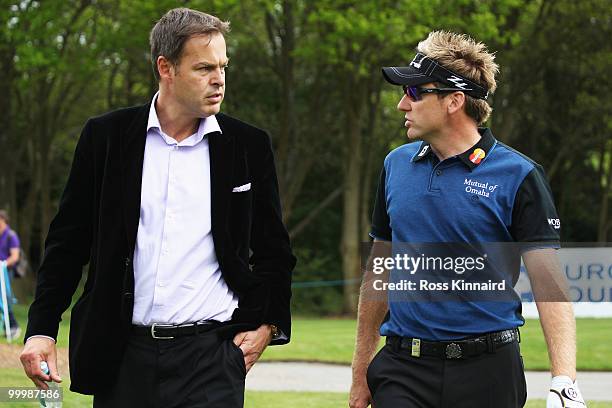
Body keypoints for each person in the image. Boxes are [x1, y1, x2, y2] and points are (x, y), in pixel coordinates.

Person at [19, 8, 296, 408]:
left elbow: (273, 250)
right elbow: (67, 242)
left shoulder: (248, 145)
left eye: (223, 66)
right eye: (203, 68)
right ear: (165, 67)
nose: (218, 80)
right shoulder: (106, 137)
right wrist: (42, 328)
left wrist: (268, 325)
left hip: (212, 358)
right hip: (122, 354)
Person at [349, 31, 586, 408]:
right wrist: (361, 370)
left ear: (454, 101)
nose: (401, 105)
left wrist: (564, 379)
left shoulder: (519, 175)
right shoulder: (395, 165)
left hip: (489, 373)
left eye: (413, 93)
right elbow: (379, 272)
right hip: (402, 370)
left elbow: (548, 283)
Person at [0, 209, 21, 339]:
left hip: (6, 271)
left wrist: (3, 264)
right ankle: (7, 327)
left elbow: (15, 256)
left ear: (4, 220)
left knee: (5, 298)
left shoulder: (10, 235)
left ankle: (13, 326)